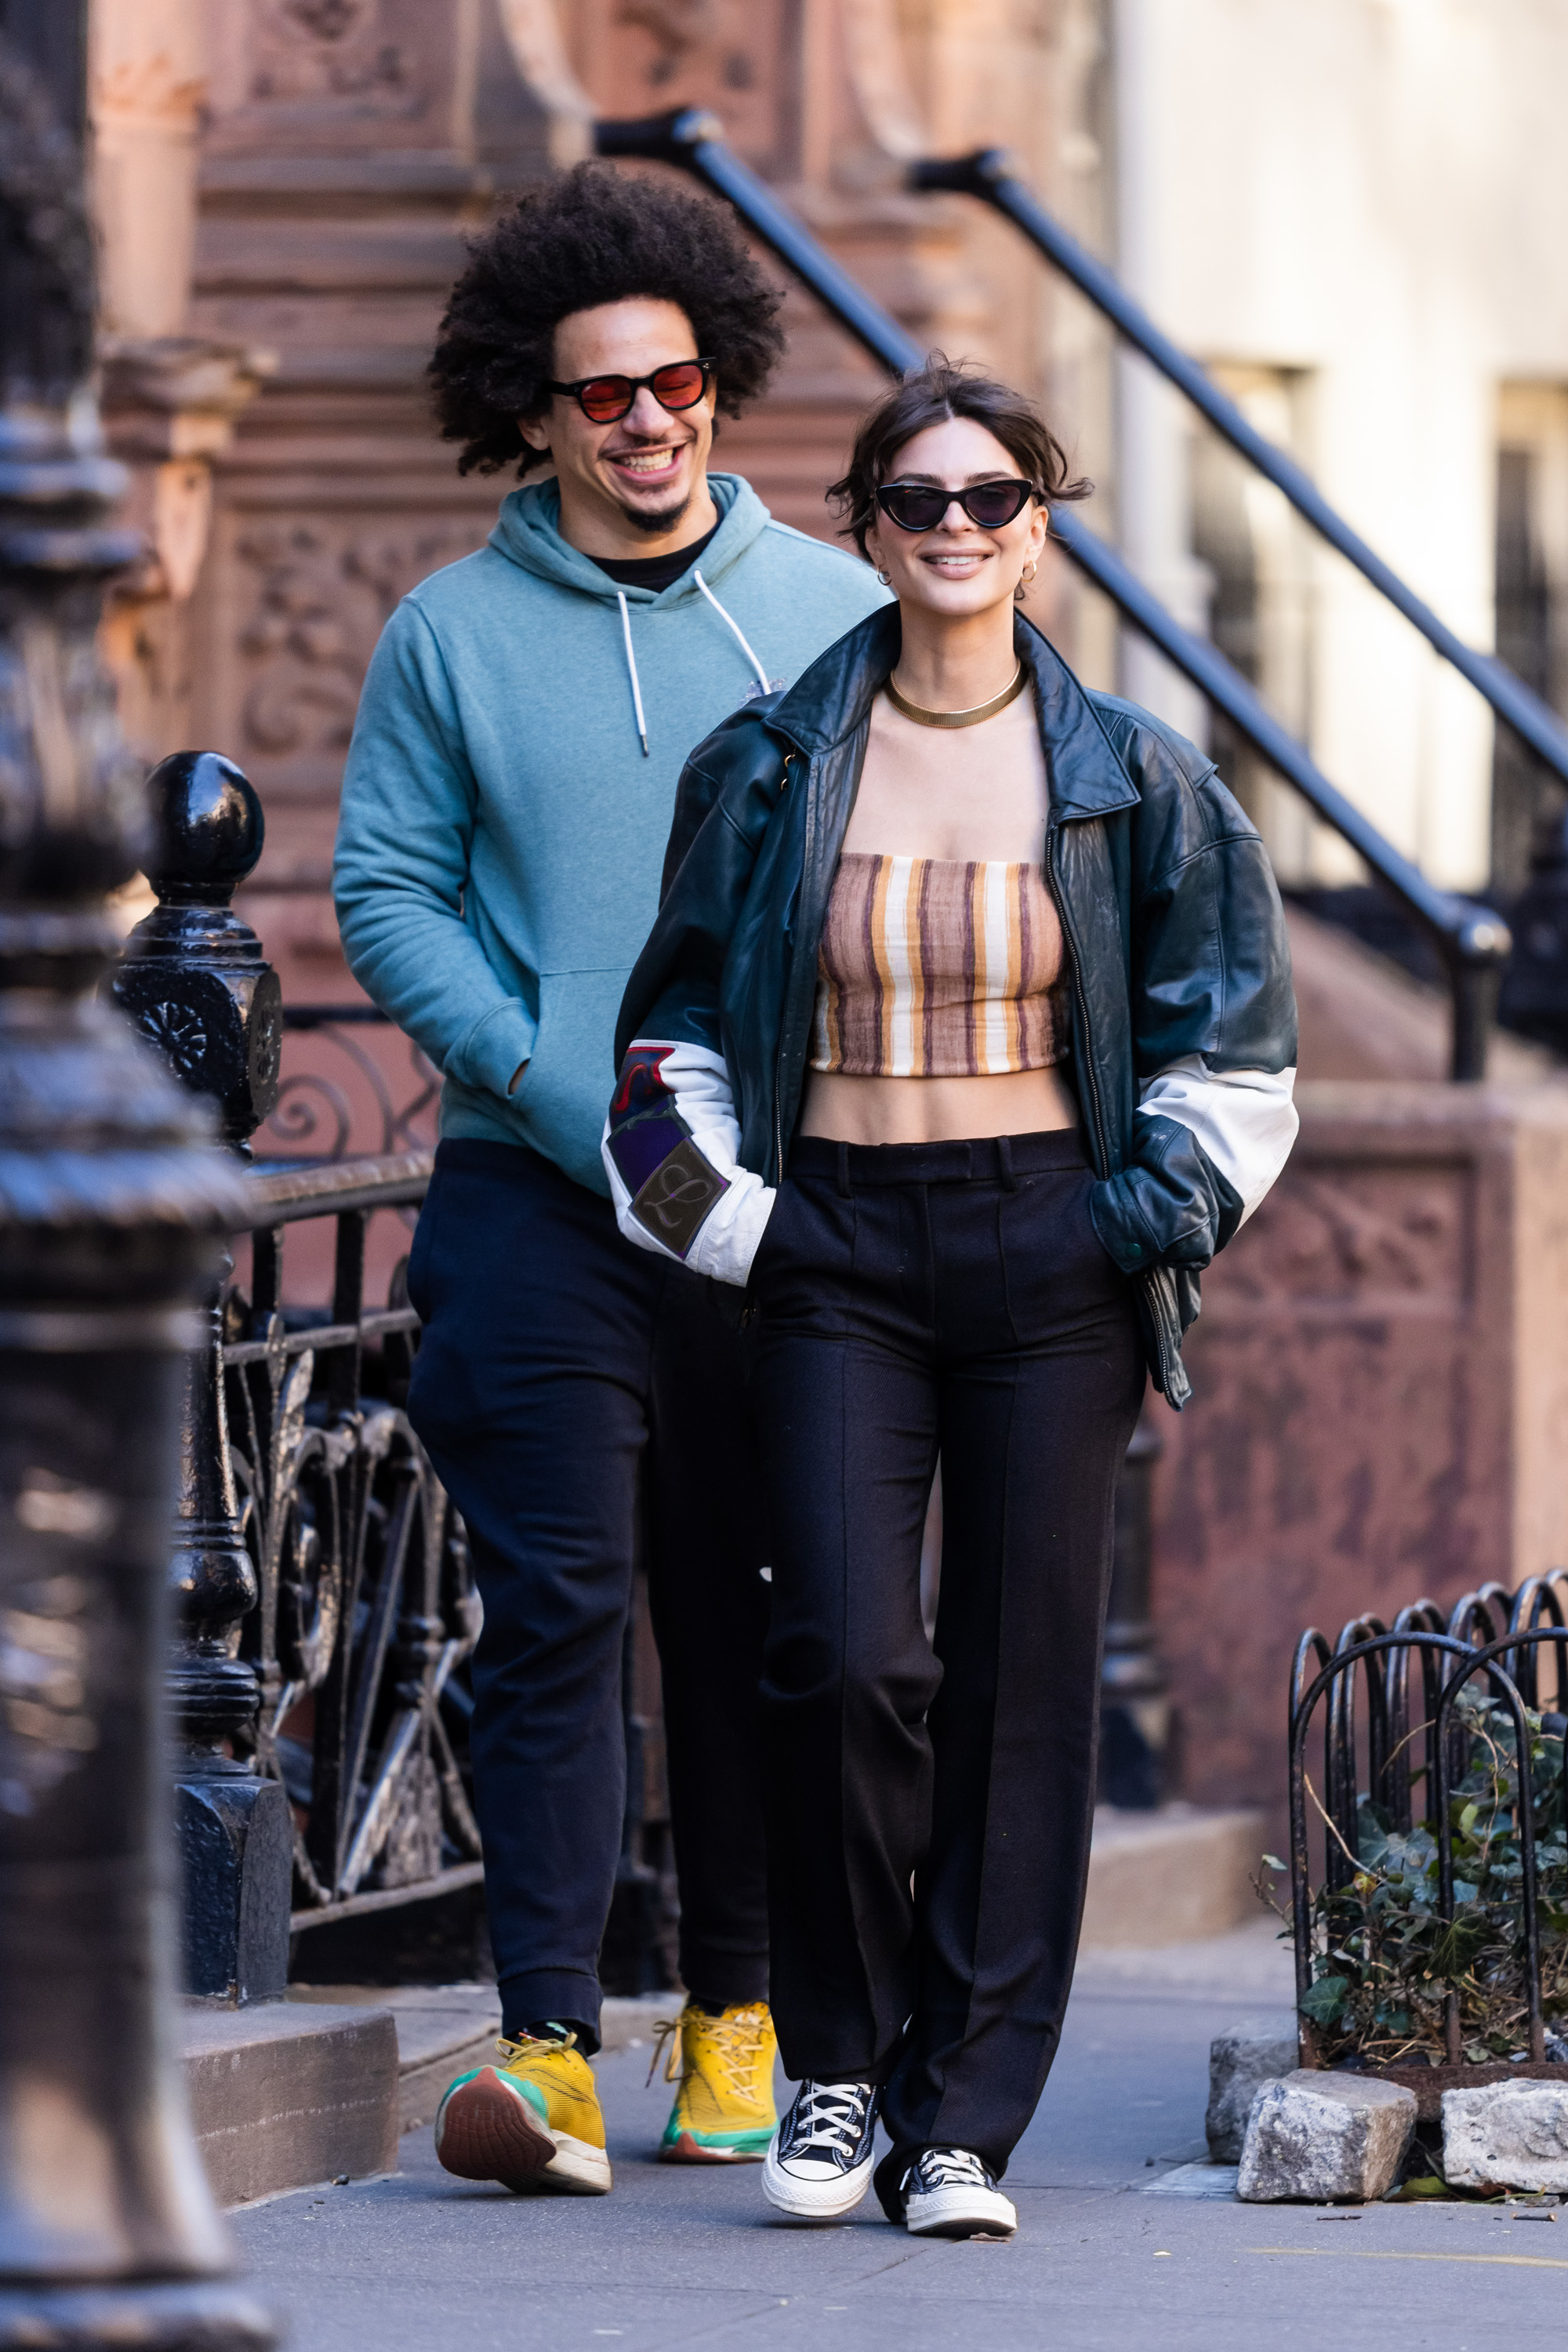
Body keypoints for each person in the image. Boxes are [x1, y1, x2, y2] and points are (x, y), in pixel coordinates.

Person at [604, 357, 1298, 2238]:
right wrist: (743, 1231)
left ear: (1038, 529)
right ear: (868, 528)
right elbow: (663, 1043)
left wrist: (1129, 1219)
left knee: (1019, 1688)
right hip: (830, 1248)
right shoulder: (766, 765)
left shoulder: (1135, 774)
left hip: (1050, 1250)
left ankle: (963, 2123)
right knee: (839, 1651)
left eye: (991, 498)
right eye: (918, 500)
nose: (956, 528)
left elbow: (1238, 1048)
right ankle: (839, 2071)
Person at [332, 163, 890, 2198]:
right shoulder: (450, 634)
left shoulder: (836, 615)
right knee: (555, 1607)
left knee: (755, 1608)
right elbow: (386, 889)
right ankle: (548, 2045)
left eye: (674, 383)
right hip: (541, 1196)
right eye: (599, 394)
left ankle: (734, 2017)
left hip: (768, 1200)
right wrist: (546, 1074)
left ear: (717, 383)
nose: (645, 421)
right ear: (534, 412)